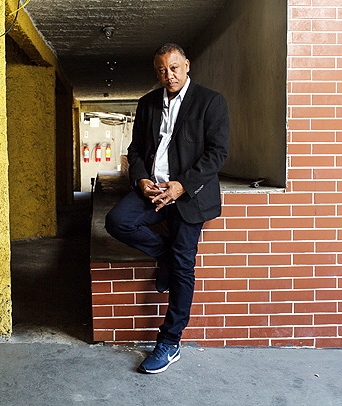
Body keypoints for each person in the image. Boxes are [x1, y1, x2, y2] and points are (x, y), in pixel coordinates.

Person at [105, 43, 230, 374]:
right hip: (153, 191)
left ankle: (170, 341)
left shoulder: (210, 101)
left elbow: (217, 154)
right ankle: (165, 254)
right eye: (162, 70)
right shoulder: (147, 103)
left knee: (183, 267)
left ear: (186, 65)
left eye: (174, 68)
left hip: (188, 195)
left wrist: (182, 185)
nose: (168, 75)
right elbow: (135, 150)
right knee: (117, 221)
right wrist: (142, 178)